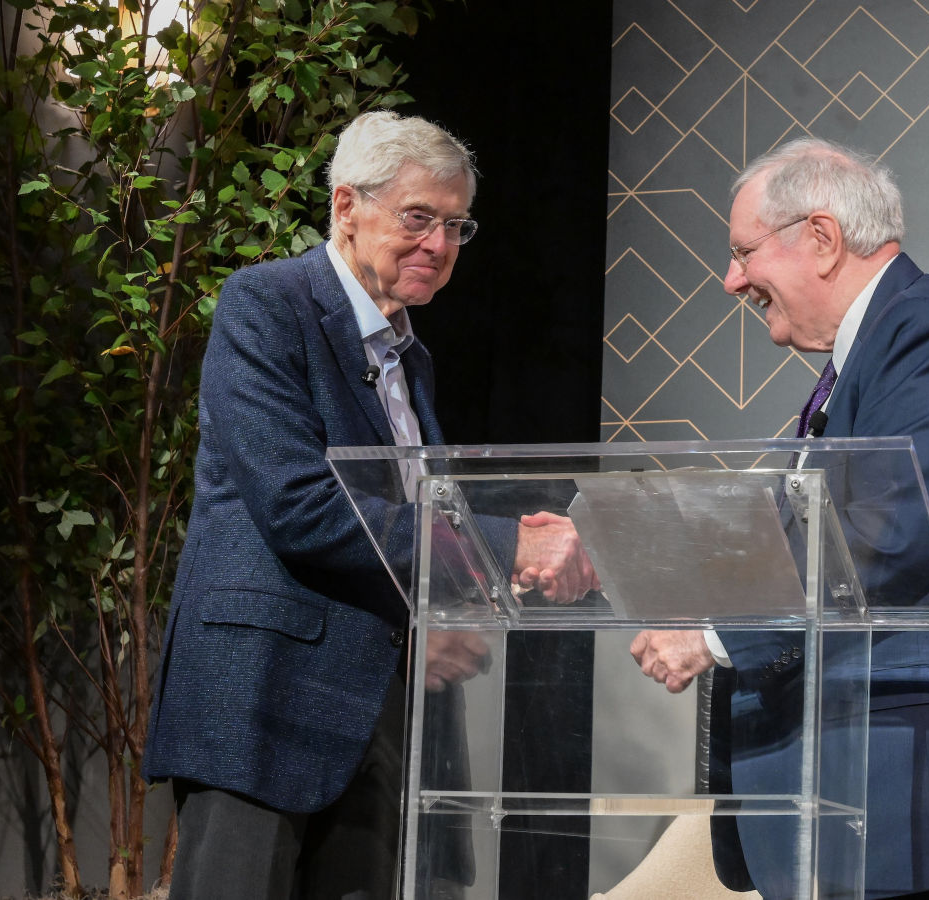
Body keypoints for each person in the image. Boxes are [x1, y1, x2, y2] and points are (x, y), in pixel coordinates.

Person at [144, 110, 596, 900]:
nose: (439, 245)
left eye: (456, 226)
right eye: (418, 219)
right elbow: (301, 506)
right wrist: (503, 547)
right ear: (346, 207)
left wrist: (461, 598)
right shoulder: (267, 304)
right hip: (263, 699)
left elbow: (413, 521)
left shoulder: (409, 355)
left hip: (379, 710)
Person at [629, 137, 929, 900]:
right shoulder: (869, 352)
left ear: (823, 238)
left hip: (904, 775)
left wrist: (712, 636)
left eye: (744, 252)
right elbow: (800, 532)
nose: (732, 278)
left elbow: (887, 535)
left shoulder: (928, 334)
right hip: (856, 778)